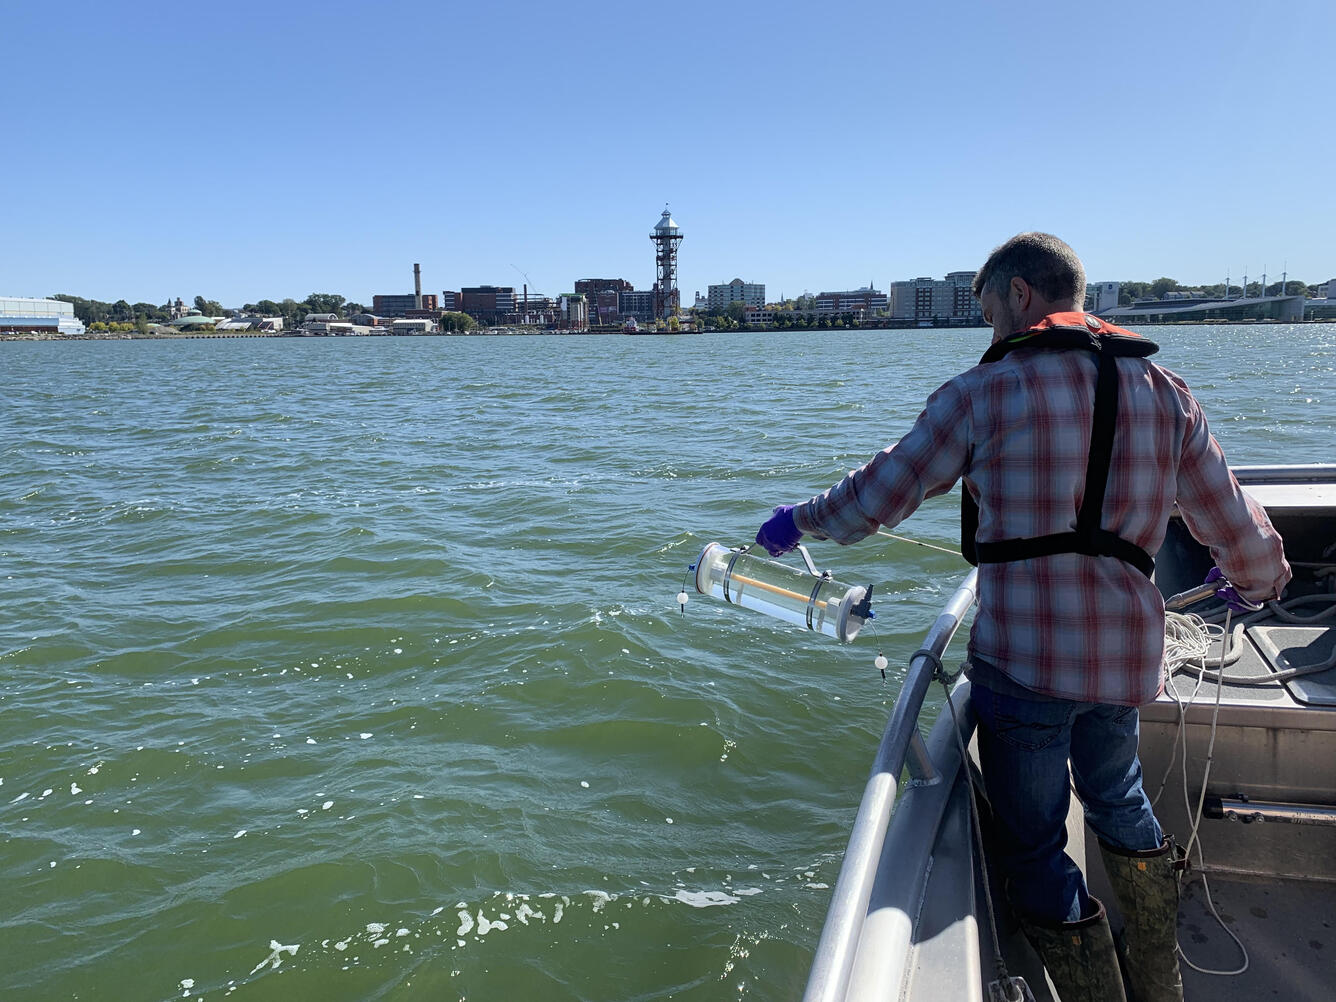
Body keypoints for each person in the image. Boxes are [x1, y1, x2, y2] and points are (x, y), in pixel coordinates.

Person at [755, 233, 1290, 1002]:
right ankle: (1158, 981)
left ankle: (1094, 990)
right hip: (1125, 666)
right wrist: (1255, 582)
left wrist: (795, 523)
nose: (989, 330)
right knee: (1120, 799)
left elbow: (878, 496)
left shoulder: (984, 394)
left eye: (986, 310)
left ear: (1018, 295)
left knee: (1036, 843)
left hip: (1024, 666)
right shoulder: (1166, 391)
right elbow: (1234, 525)